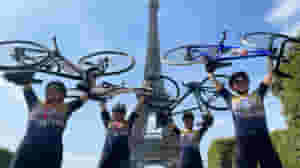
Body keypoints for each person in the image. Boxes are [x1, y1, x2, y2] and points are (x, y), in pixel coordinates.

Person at [4, 71, 90, 168]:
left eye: (55, 90)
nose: (51, 92)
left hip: (51, 153)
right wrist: (28, 73)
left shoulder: (66, 108)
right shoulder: (35, 104)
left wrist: (89, 81)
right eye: (49, 90)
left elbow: (85, 97)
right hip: (27, 151)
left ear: (62, 95)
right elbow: (26, 83)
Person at [205, 62, 283, 168]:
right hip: (243, 141)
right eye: (237, 81)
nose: (241, 82)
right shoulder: (230, 98)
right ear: (233, 87)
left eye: (243, 80)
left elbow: (268, 76)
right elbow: (219, 87)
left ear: (248, 82)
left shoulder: (258, 94)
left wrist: (271, 62)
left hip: (263, 138)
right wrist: (210, 73)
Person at [97, 81, 151, 168]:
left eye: (120, 113)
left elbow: (137, 108)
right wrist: (100, 91)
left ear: (124, 114)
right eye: (115, 112)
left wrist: (144, 93)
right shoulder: (109, 122)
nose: (117, 115)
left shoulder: (128, 123)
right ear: (113, 113)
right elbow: (102, 105)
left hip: (122, 160)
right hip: (108, 159)